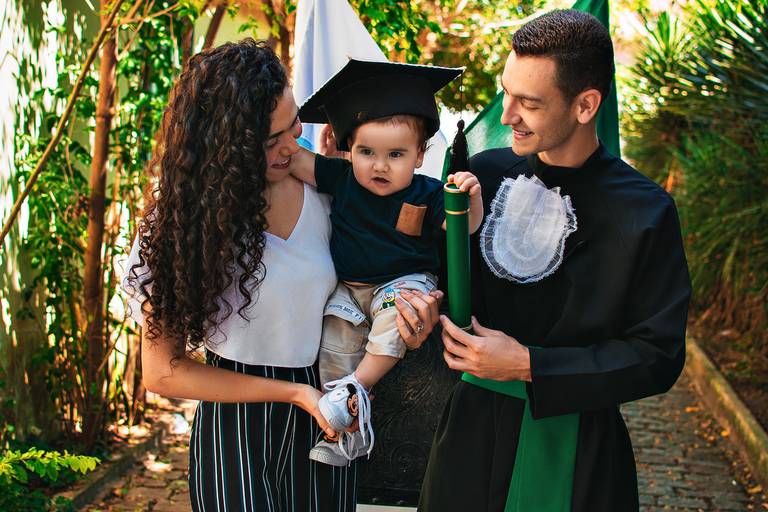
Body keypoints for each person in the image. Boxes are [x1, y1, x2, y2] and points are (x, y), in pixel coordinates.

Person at [120, 39, 440, 512]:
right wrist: (292, 393)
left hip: (327, 410)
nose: (291, 146)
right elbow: (162, 372)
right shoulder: (183, 224)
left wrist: (415, 314)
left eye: (293, 126)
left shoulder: (331, 191)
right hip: (235, 419)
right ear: (224, 145)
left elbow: (391, 277)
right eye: (270, 140)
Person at [418, 10, 691, 512]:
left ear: (586, 105)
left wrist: (530, 366)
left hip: (577, 447)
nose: (506, 116)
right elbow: (442, 284)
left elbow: (658, 356)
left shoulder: (645, 210)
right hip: (468, 434)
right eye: (506, 92)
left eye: (529, 103)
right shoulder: (485, 175)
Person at [287, 59, 482, 467]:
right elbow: (293, 160)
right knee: (333, 346)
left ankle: (360, 384)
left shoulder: (429, 193)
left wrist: (470, 201)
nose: (379, 165)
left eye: (395, 154)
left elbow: (460, 229)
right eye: (366, 152)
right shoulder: (341, 177)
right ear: (348, 148)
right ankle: (345, 425)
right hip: (349, 290)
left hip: (404, 284)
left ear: (419, 156)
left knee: (397, 318)